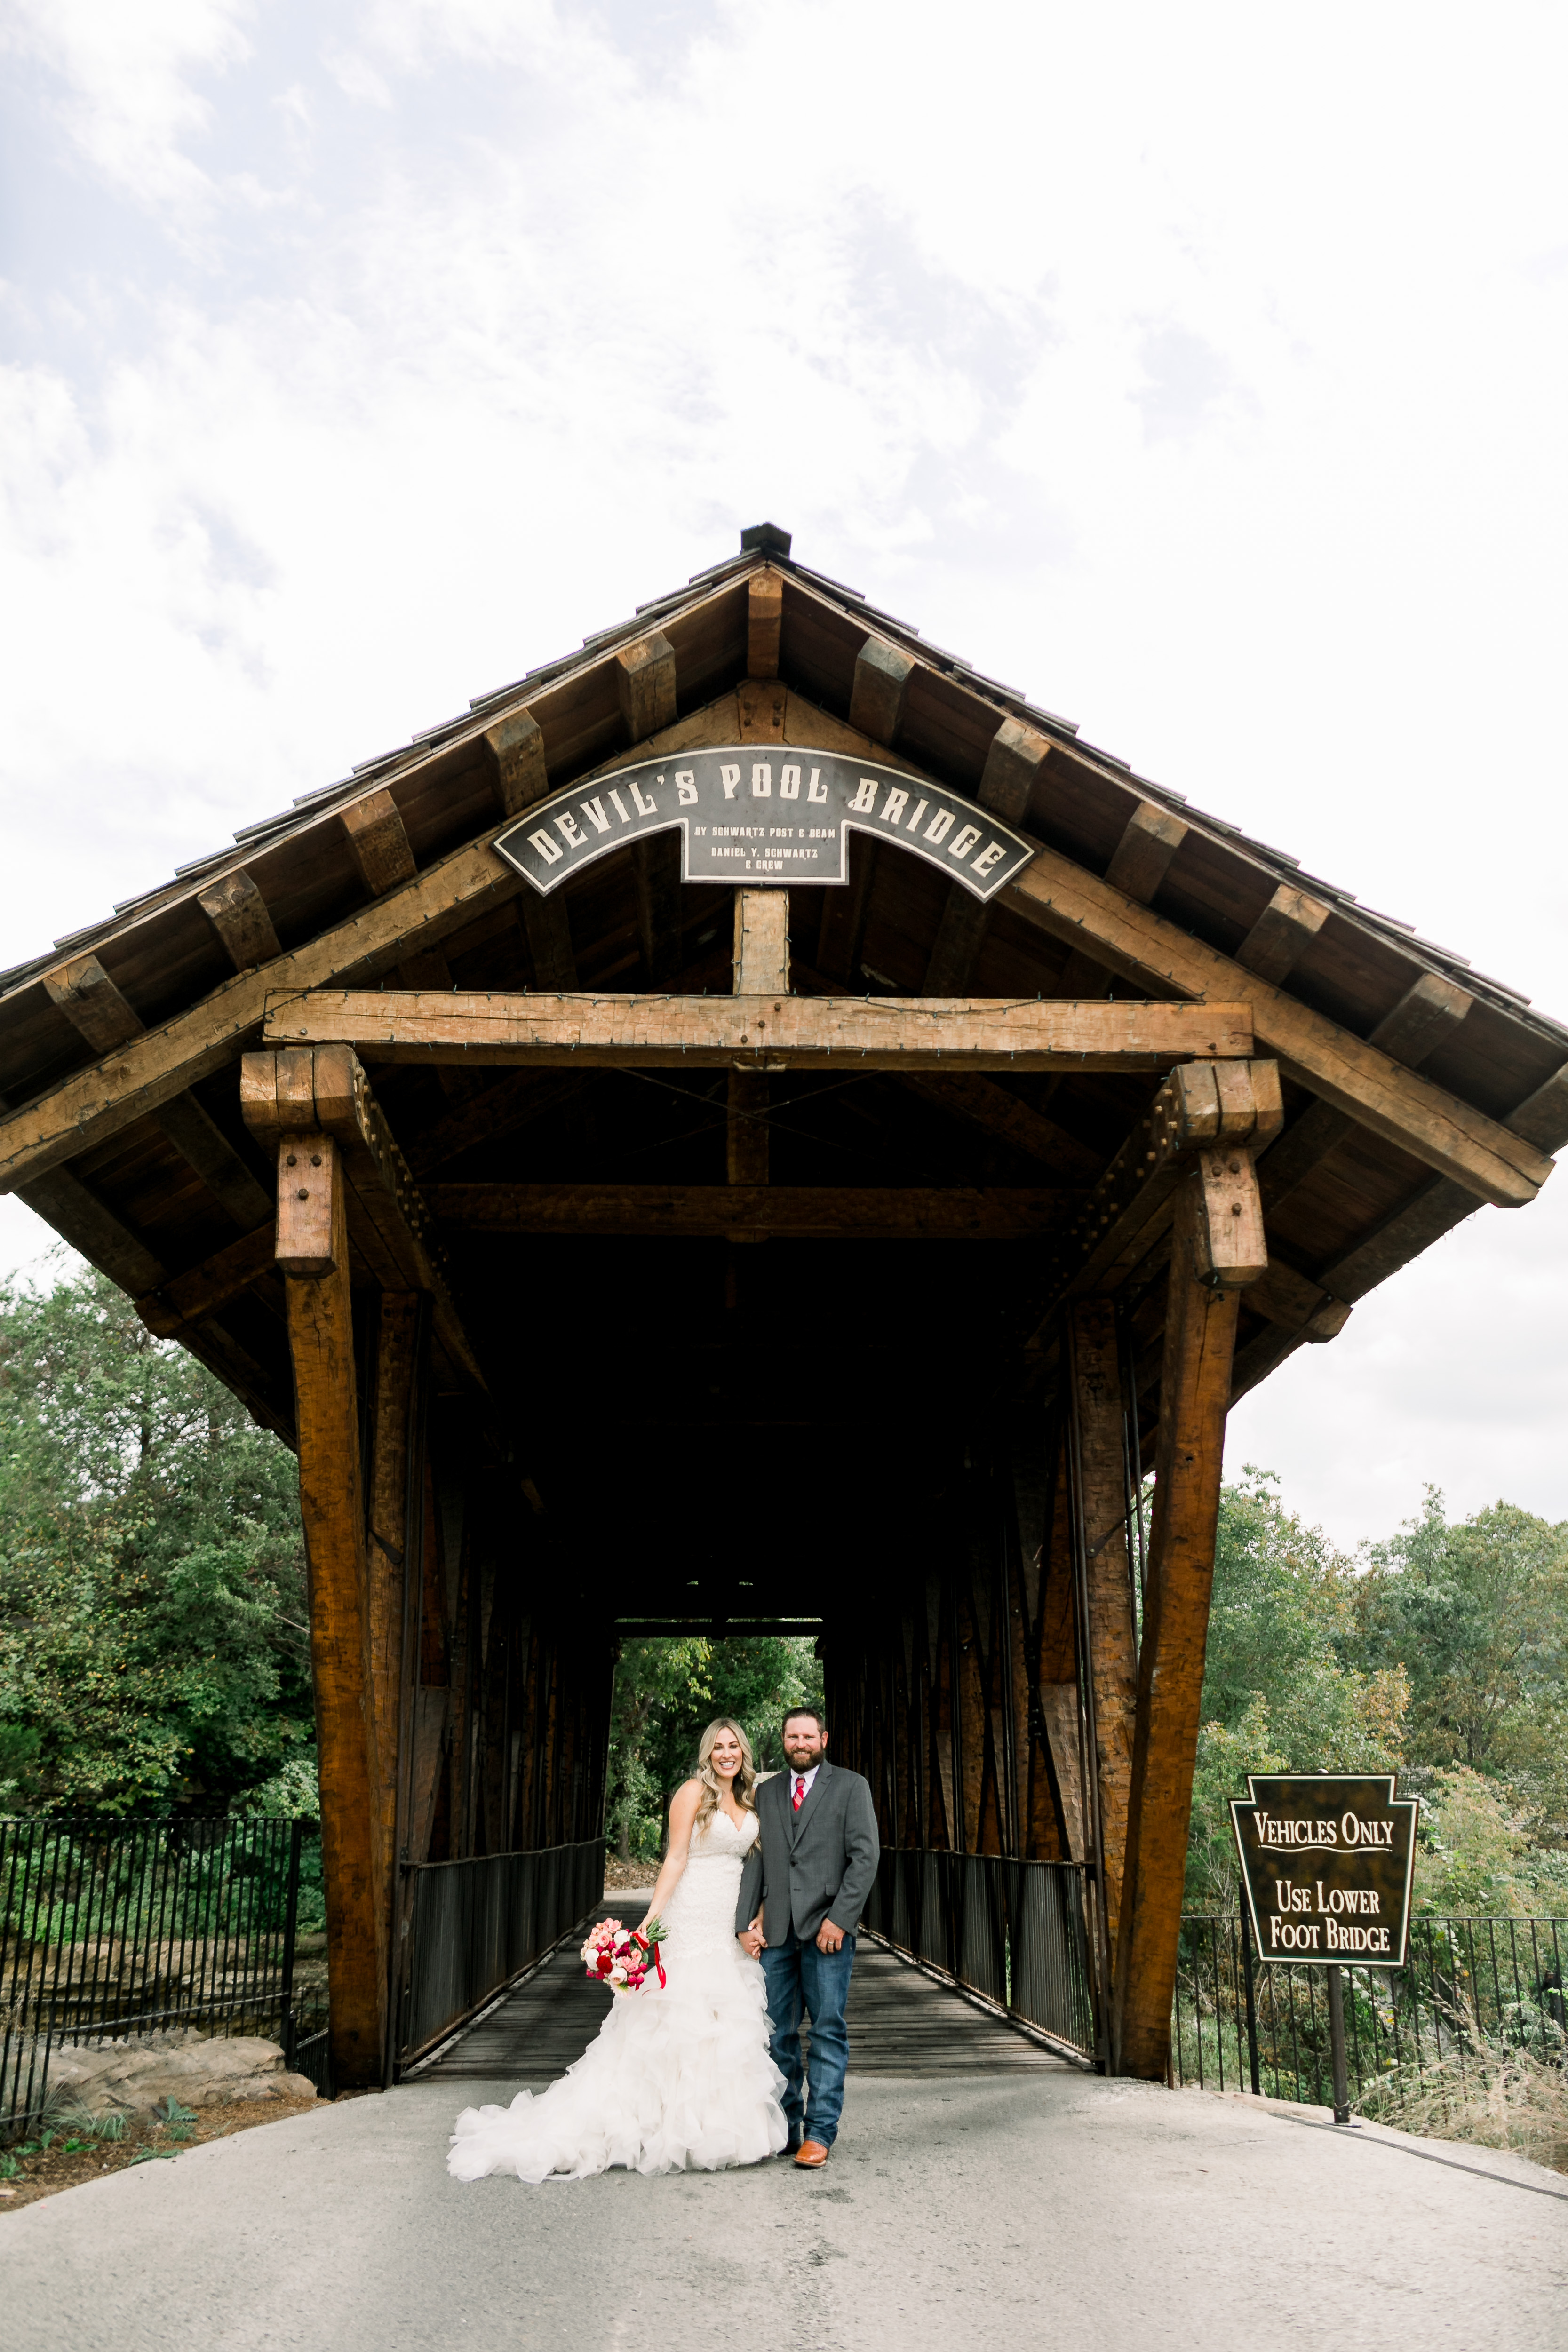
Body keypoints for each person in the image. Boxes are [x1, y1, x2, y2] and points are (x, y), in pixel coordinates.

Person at [447, 1719, 788, 2182]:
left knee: (720, 2025)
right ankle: (655, 2127)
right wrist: (648, 1924)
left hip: (726, 1923)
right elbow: (676, 1858)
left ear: (744, 1751)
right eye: (718, 1747)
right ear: (707, 1753)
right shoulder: (693, 1792)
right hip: (689, 1917)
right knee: (674, 2020)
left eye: (733, 1746)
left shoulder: (751, 1798)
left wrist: (758, 1917)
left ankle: (712, 2132)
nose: (726, 1753)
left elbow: (765, 1863)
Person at [734, 1706, 879, 2167]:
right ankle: (786, 2128)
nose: (800, 1743)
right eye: (792, 1736)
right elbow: (756, 1860)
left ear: (824, 1738)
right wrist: (743, 1922)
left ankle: (819, 2133)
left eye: (808, 1736)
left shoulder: (852, 1786)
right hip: (776, 1932)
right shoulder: (767, 1791)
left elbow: (865, 1857)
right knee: (777, 2034)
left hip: (827, 1933)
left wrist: (841, 1918)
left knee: (827, 2030)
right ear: (784, 1740)